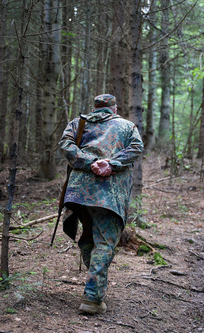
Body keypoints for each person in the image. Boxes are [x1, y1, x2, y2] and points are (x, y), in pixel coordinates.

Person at [59, 94, 143, 314]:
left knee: (88, 238)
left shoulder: (78, 123)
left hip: (79, 193)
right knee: (105, 243)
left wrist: (90, 162)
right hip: (109, 194)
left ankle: (96, 286)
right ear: (113, 109)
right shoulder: (127, 126)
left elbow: (65, 146)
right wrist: (110, 164)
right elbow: (136, 148)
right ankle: (93, 298)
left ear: (96, 108)